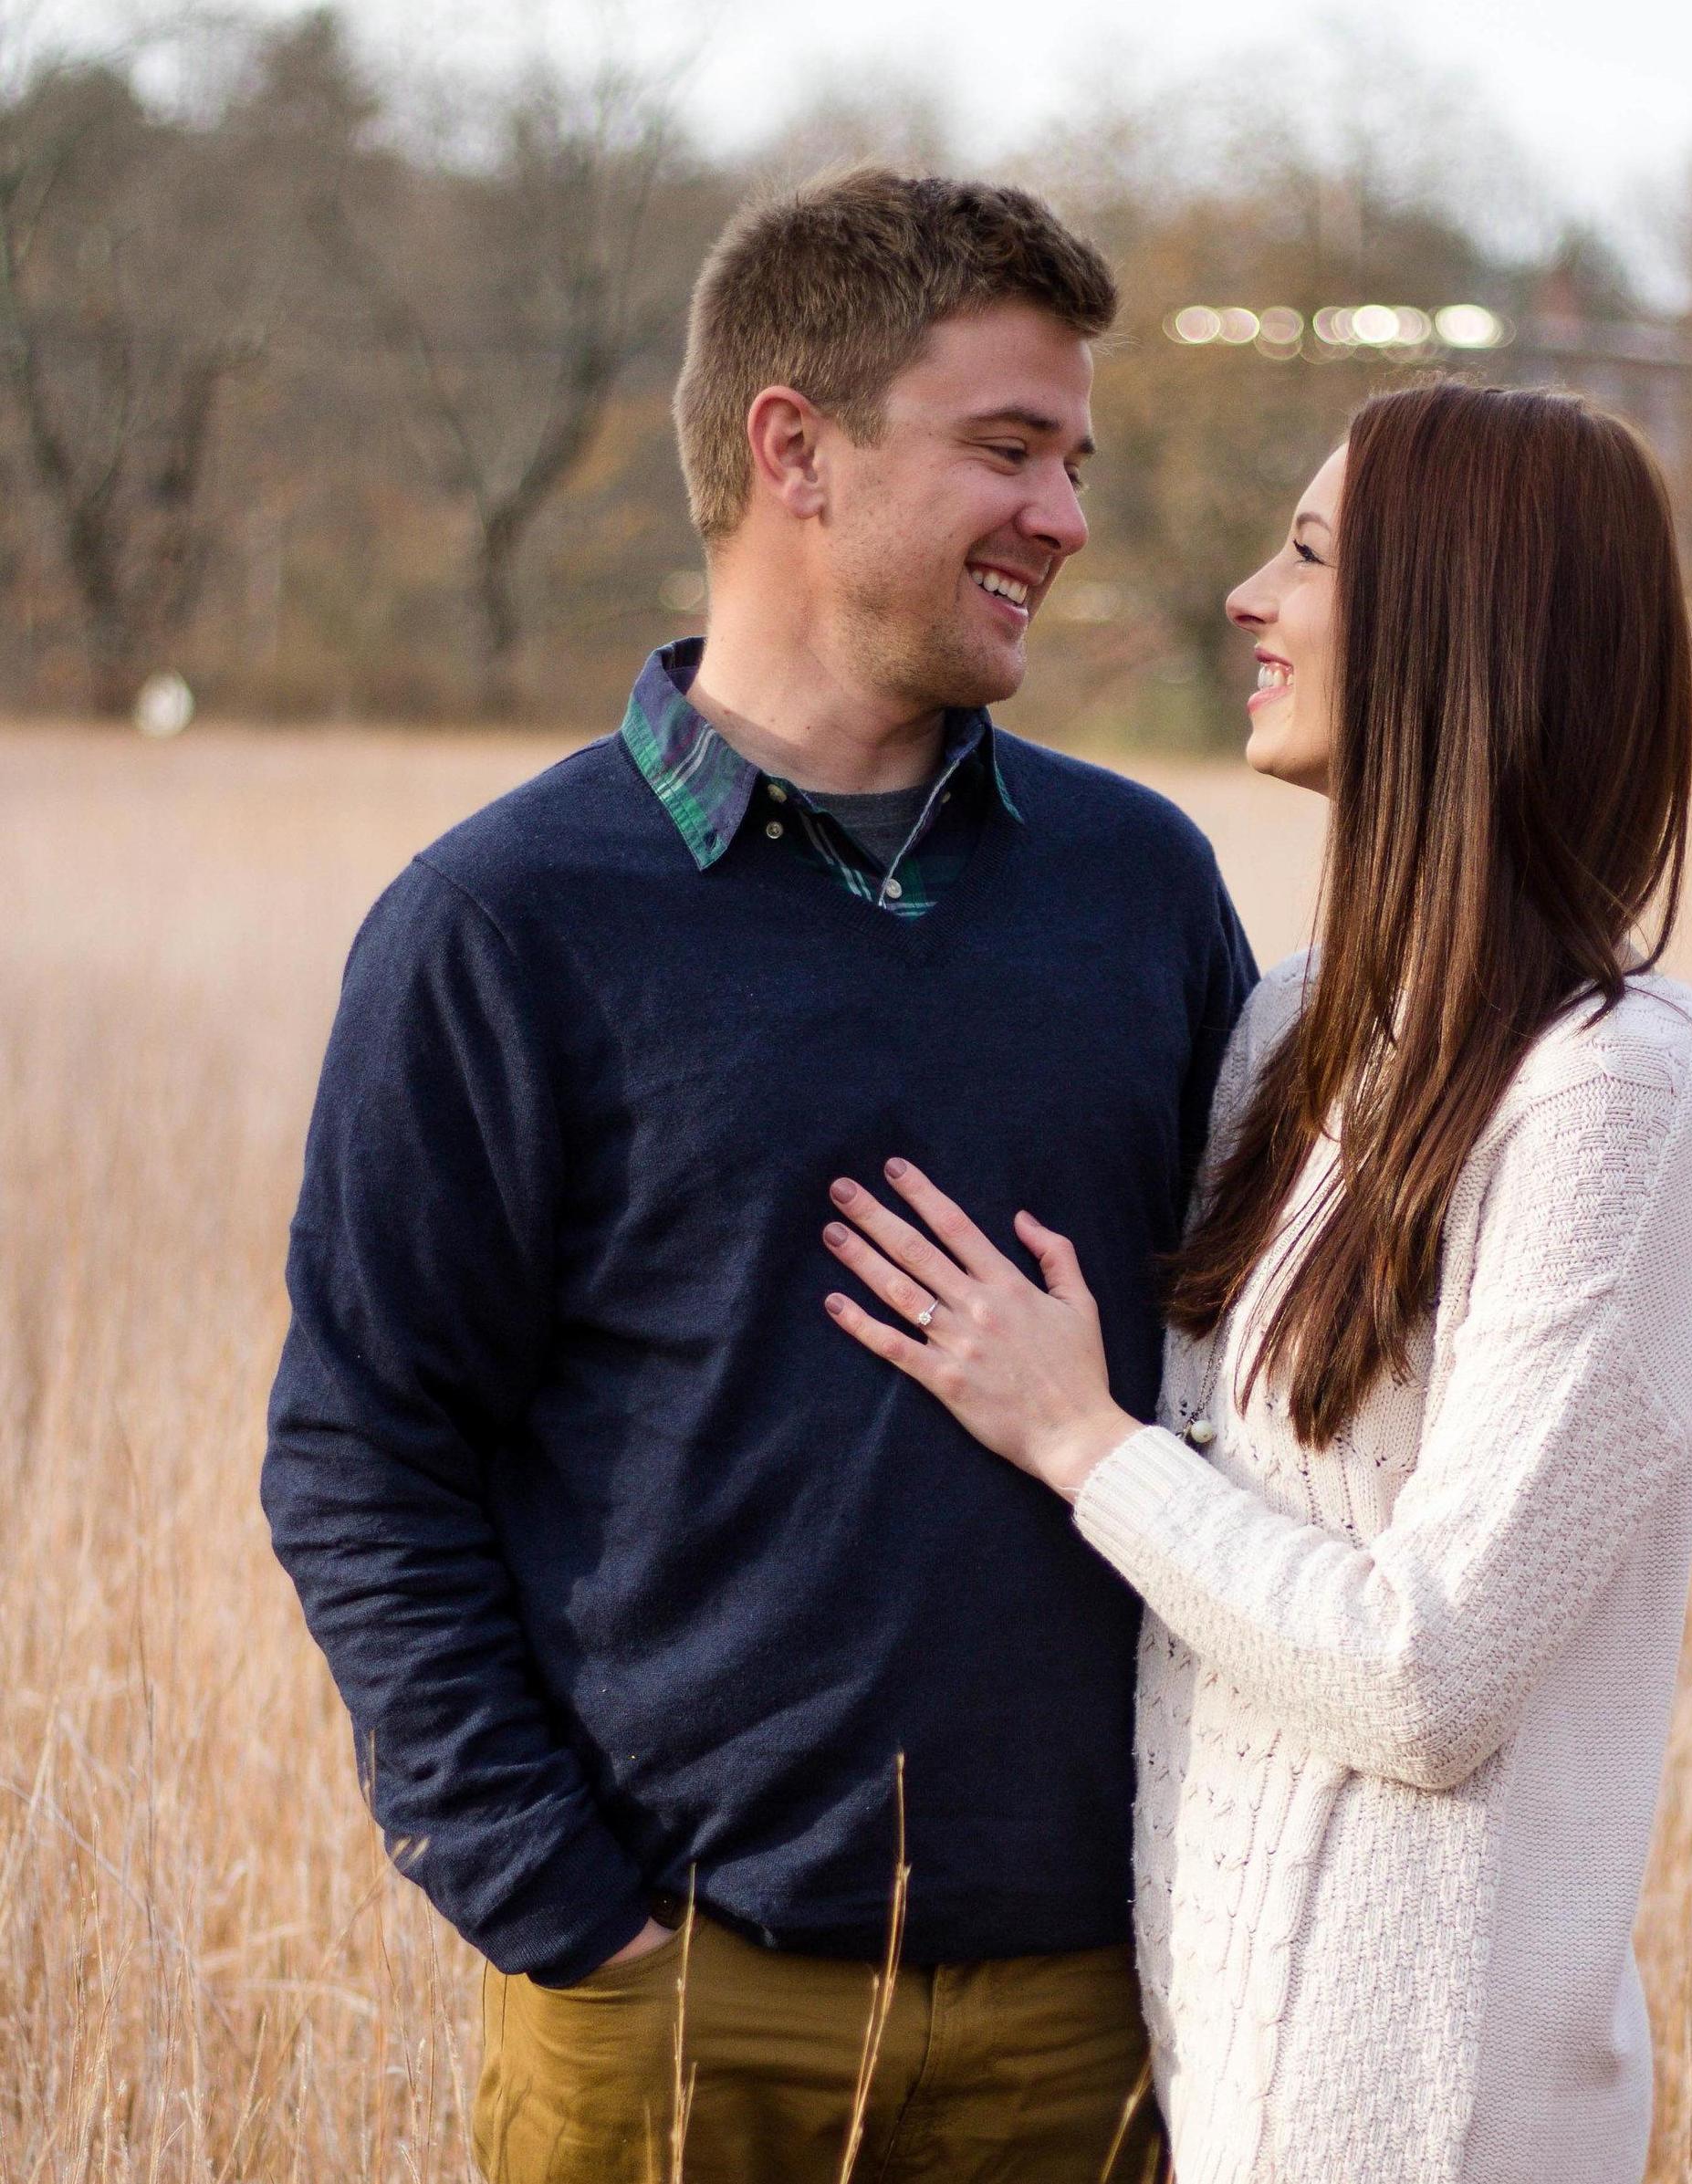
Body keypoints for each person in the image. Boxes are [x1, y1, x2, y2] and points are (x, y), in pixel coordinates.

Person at [261, 169, 1254, 2184]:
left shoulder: (1139, 888)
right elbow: (363, 1452)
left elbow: (1267, 1362)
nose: (1064, 517)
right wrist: (571, 1921)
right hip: (676, 2016)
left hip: (1092, 2011)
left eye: (1072, 463)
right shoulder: (505, 921)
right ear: (794, 449)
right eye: (1009, 448)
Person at [820, 381, 1692, 2183]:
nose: (1249, 594)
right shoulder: (1299, 1028)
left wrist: (1080, 1440)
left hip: (1428, 2118)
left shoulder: (1613, 1089)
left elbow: (1428, 1679)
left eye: (1311, 554)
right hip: (1218, 2080)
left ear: (1462, 624)